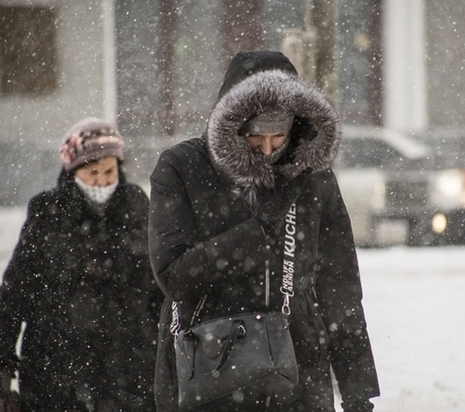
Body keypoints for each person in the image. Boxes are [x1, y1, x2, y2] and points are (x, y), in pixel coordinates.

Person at [149, 51, 380, 411]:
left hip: (299, 372)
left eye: (280, 135)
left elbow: (340, 288)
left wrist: (357, 388)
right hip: (209, 367)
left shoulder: (313, 177)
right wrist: (259, 230)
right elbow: (175, 276)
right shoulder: (182, 167)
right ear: (233, 124)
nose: (269, 148)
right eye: (256, 137)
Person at [0, 117, 163, 411]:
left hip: (129, 364)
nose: (102, 181)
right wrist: (0, 359)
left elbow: (157, 284)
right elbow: (17, 287)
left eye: (109, 171)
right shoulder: (48, 213)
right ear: (72, 172)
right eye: (92, 173)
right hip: (56, 367)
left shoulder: (136, 206)